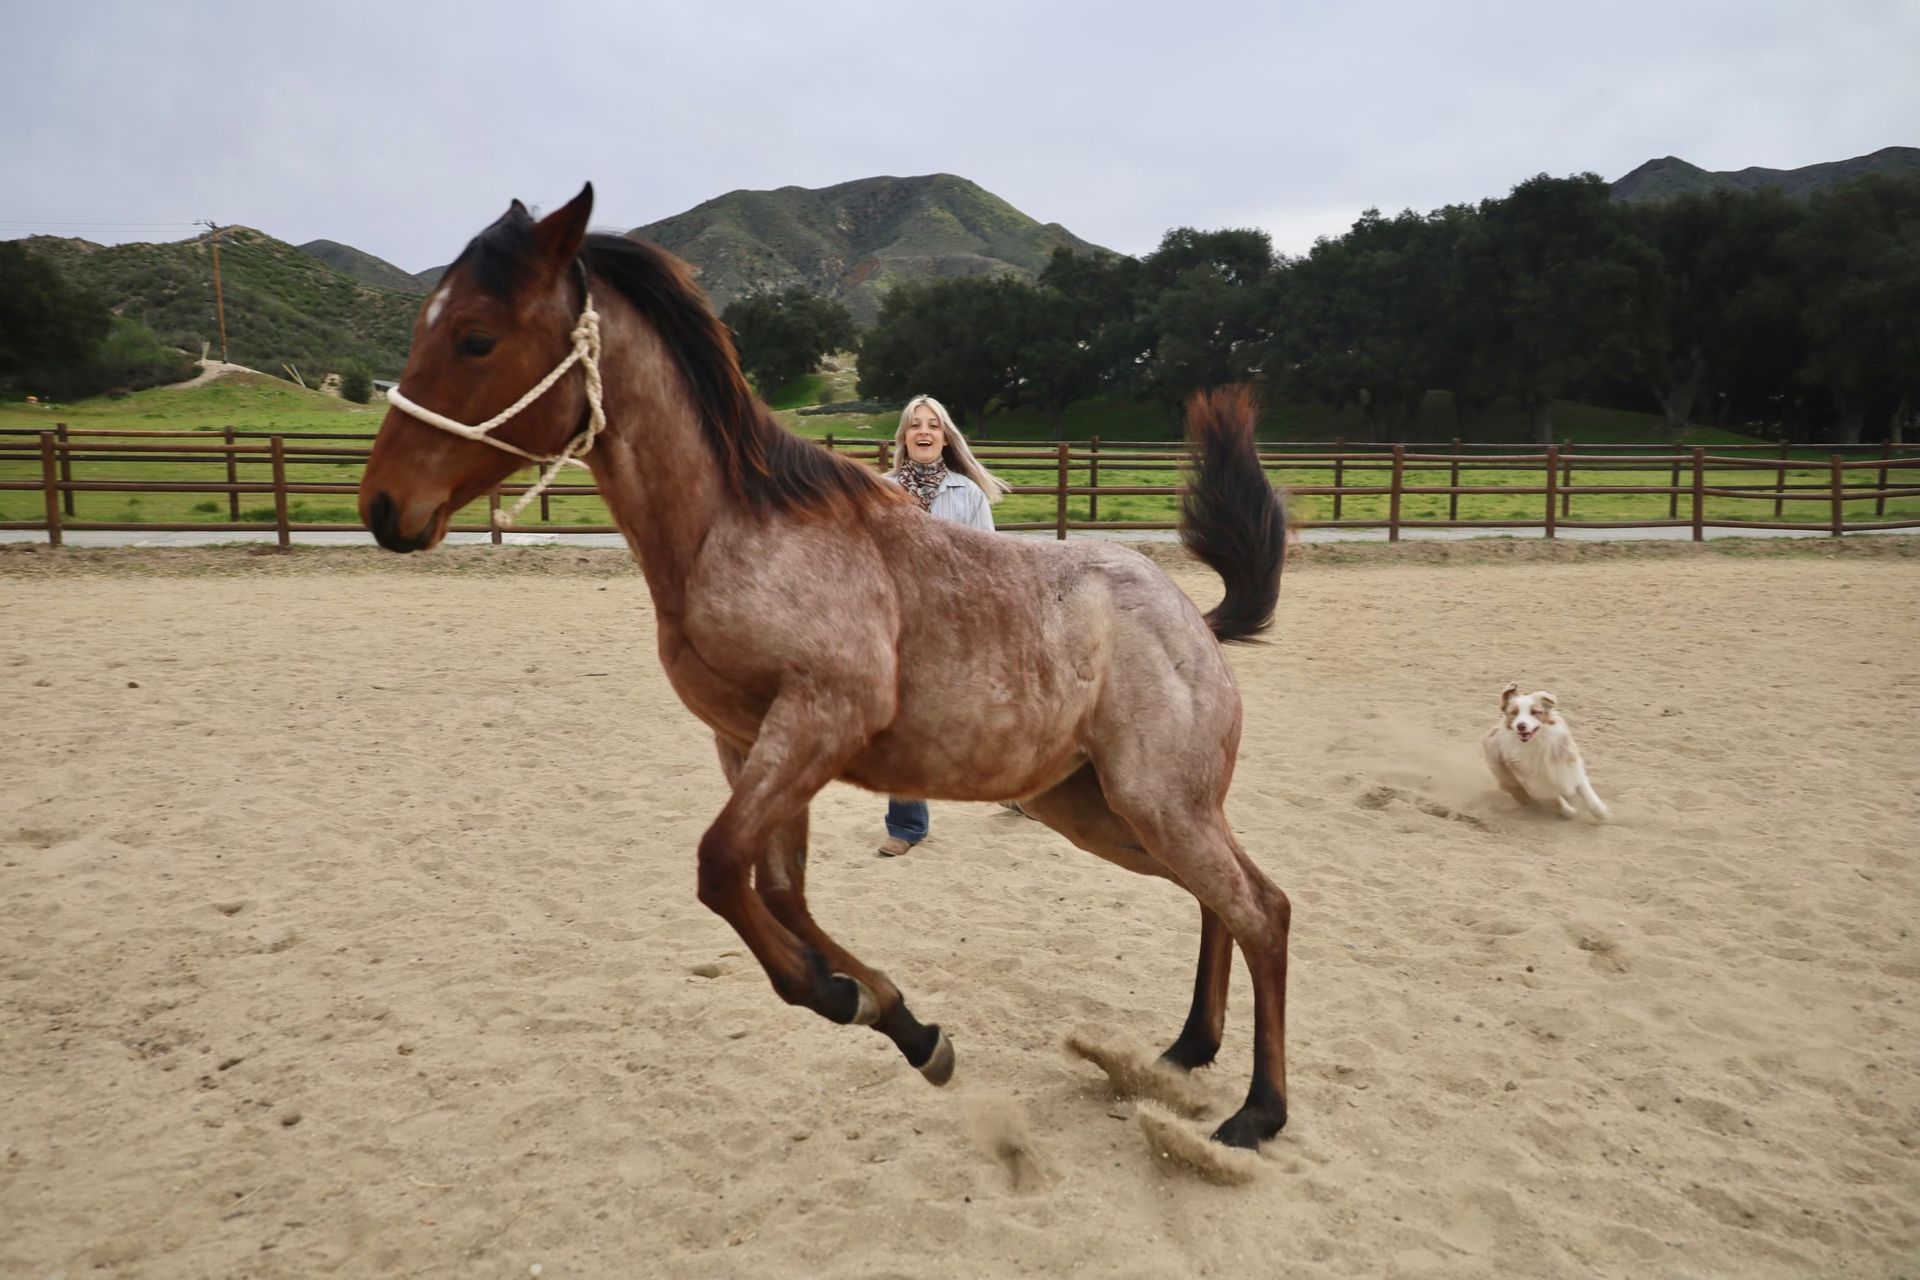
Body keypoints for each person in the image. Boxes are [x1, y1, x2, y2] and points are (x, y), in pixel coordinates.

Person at [877, 394, 1011, 857]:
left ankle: (1023, 791)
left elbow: (991, 562)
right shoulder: (878, 491)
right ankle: (906, 825)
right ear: (904, 437)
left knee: (987, 715)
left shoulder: (967, 494)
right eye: (915, 425)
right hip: (899, 626)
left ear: (945, 436)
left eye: (933, 424)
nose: (924, 432)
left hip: (957, 625)